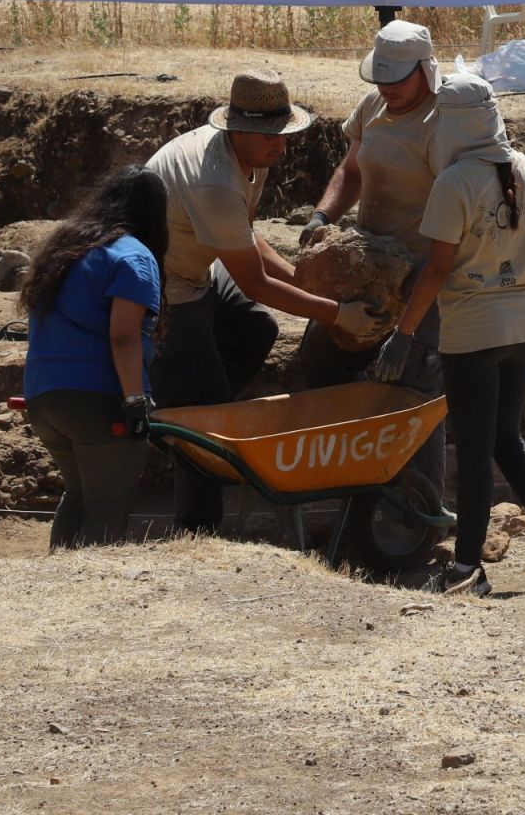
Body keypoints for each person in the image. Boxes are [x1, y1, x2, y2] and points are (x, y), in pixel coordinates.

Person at [147, 69, 392, 532]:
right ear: (237, 129)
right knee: (205, 407)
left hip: (201, 262)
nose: (280, 144)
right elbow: (257, 282)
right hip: (164, 281)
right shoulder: (214, 183)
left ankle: (195, 390)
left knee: (256, 327)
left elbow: (247, 238)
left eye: (283, 133)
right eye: (268, 136)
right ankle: (196, 525)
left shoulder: (247, 160)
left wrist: (305, 286)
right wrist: (336, 313)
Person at [374, 73, 525, 597]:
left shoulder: (455, 183)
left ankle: (467, 568)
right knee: (504, 438)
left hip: (473, 332)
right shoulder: (523, 168)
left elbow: (437, 269)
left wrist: (404, 332)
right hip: (523, 327)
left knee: (473, 447)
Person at [298, 20, 447, 480]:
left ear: (425, 70)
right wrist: (324, 214)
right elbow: (352, 171)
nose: (387, 88)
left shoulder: (445, 121)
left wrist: (408, 327)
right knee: (320, 358)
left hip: (422, 270)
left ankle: (416, 508)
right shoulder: (373, 107)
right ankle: (347, 472)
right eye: (380, 78)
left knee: (413, 387)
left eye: (397, 79)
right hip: (364, 265)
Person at [19, 165, 167, 550]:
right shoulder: (134, 257)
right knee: (108, 506)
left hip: (43, 398)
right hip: (98, 400)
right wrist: (136, 402)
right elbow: (123, 336)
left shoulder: (64, 248)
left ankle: (57, 588)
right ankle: (90, 600)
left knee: (80, 496)